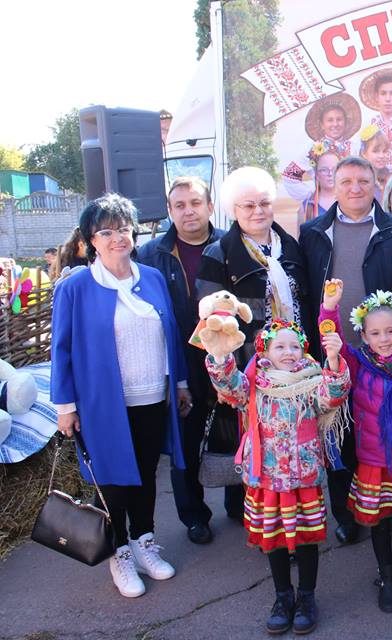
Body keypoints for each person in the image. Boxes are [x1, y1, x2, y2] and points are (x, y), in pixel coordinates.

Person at [51, 193, 189, 598]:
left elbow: (172, 337)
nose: (117, 238)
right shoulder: (75, 286)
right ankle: (119, 553)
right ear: (91, 239)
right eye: (106, 231)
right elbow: (60, 349)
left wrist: (179, 383)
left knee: (146, 474)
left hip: (150, 394)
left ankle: (145, 541)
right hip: (101, 404)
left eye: (124, 229)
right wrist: (65, 406)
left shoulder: (152, 277)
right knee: (111, 480)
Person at [299, 156, 392, 544]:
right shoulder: (313, 232)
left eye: (363, 181)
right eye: (346, 181)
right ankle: (346, 514)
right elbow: (305, 293)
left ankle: (385, 504)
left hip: (382, 357)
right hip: (333, 354)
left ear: (375, 184)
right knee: (337, 436)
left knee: (377, 435)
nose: (355, 188)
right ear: (333, 185)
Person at [203, 318, 349, 635]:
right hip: (267, 480)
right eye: (279, 346)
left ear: (304, 351)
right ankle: (283, 597)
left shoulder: (312, 382)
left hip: (304, 478)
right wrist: (218, 356)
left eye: (295, 346)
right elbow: (228, 386)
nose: (288, 352)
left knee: (308, 539)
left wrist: (334, 361)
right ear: (265, 351)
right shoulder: (254, 384)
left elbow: (333, 395)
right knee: (275, 540)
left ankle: (307, 597)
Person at [195, 166, 311, 522]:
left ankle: (292, 510)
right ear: (234, 209)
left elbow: (303, 298)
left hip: (292, 362)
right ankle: (254, 515)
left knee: (290, 436)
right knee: (250, 437)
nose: (258, 212)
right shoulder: (220, 253)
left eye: (264, 203)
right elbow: (211, 319)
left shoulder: (289, 246)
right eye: (248, 206)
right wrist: (224, 372)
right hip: (249, 365)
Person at [319, 282, 392, 613]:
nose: (383, 339)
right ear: (365, 336)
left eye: (390, 331)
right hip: (373, 460)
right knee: (380, 520)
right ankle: (386, 575)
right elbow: (334, 346)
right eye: (375, 333)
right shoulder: (356, 363)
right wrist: (329, 309)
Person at [137, 176, 225, 545]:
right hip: (180, 358)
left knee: (235, 429)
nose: (188, 211)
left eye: (195, 203)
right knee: (185, 438)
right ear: (170, 211)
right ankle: (194, 515)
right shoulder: (152, 254)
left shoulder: (230, 243)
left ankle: (239, 501)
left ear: (209, 205)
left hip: (226, 353)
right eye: (180, 205)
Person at [304, 94, 362, 159]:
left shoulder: (355, 148)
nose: (335, 124)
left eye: (339, 119)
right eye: (330, 120)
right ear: (322, 125)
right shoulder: (312, 150)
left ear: (346, 122)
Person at [298, 147, 339, 226]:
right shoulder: (307, 207)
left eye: (334, 169)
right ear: (316, 174)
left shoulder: (350, 202)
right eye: (324, 170)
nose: (330, 174)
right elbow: (301, 237)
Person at [358, 125, 392, 201]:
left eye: (385, 151)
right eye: (376, 151)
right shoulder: (358, 179)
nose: (381, 156)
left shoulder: (390, 176)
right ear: (364, 153)